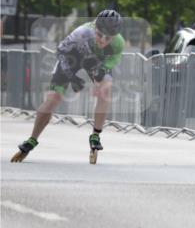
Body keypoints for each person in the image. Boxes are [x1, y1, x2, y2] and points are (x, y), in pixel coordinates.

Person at [11, 9, 125, 162]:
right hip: (71, 58)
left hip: (94, 61)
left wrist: (102, 70)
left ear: (115, 36)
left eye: (108, 38)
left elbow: (113, 61)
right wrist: (72, 78)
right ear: (95, 28)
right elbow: (61, 53)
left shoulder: (119, 42)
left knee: (106, 88)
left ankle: (95, 135)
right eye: (99, 35)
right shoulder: (82, 32)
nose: (103, 41)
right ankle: (32, 139)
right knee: (54, 98)